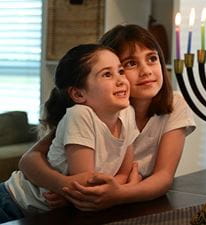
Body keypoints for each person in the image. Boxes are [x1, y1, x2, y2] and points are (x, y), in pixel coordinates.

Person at [19, 24, 196, 212]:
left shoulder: (174, 104)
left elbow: (164, 177)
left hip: (115, 204)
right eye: (130, 63)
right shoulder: (93, 110)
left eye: (152, 59)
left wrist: (119, 193)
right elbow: (29, 160)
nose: (146, 71)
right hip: (41, 203)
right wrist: (65, 188)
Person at [0, 44, 139, 223]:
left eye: (120, 71)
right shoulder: (80, 115)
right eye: (107, 74)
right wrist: (121, 188)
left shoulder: (127, 113)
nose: (121, 80)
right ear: (78, 94)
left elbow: (124, 172)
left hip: (46, 215)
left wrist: (116, 189)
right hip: (12, 203)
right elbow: (85, 185)